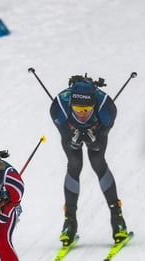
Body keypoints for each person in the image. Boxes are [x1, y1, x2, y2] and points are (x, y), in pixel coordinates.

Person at [49, 74, 129, 247]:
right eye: (78, 109)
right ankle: (69, 222)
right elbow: (64, 134)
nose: (82, 114)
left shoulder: (106, 108)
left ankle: (118, 220)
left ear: (94, 105)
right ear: (71, 104)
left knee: (98, 162)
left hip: (98, 129)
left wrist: (95, 141)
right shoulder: (59, 107)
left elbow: (102, 136)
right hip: (70, 131)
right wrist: (73, 139)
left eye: (86, 109)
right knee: (74, 163)